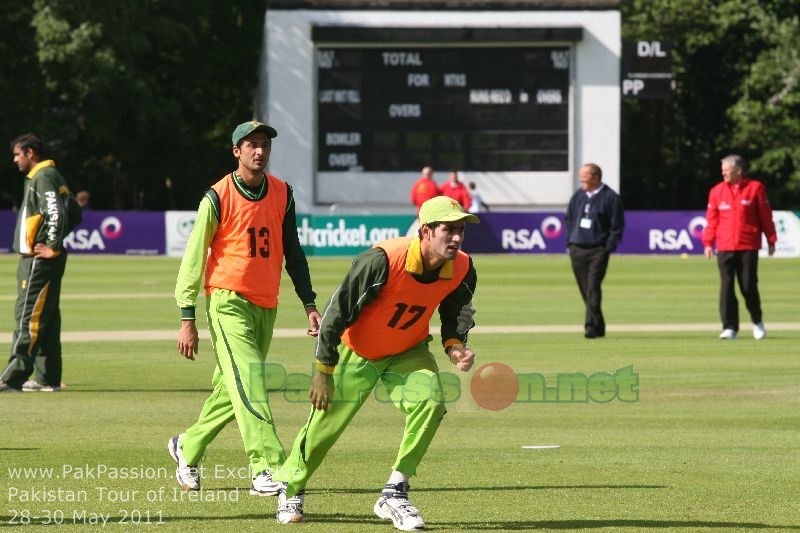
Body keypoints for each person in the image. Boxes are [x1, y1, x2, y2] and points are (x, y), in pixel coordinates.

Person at [273, 196, 479, 529]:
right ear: (426, 231)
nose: (456, 237)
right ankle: (291, 487)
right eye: (448, 230)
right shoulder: (383, 260)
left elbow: (457, 309)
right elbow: (335, 313)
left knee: (431, 402)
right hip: (358, 350)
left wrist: (455, 345)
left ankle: (395, 492)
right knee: (325, 426)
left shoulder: (463, 266)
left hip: (408, 350)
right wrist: (324, 370)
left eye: (460, 230)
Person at [168, 120, 322, 496]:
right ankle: (266, 466)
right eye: (251, 144)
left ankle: (187, 445)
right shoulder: (216, 197)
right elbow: (193, 257)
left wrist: (309, 302)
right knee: (251, 380)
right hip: (226, 302)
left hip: (265, 306)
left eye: (264, 145)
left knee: (233, 388)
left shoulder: (283, 193)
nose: (259, 151)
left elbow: (293, 252)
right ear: (236, 151)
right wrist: (187, 316)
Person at [0, 134, 75, 392]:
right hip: (40, 260)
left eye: (17, 155)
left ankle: (11, 377)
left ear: (30, 153)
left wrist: (52, 246)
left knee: (28, 315)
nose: (15, 160)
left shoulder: (43, 177)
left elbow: (57, 212)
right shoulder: (50, 176)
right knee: (47, 318)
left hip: (38, 261)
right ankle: (48, 377)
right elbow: (74, 211)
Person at [703, 154, 776, 340]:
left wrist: (771, 239)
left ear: (739, 171)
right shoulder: (716, 191)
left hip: (748, 245)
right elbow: (712, 220)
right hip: (725, 245)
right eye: (722, 169)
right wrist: (708, 243)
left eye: (727, 169)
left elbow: (765, 216)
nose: (723, 172)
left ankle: (757, 321)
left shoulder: (755, 188)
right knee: (727, 287)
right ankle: (730, 328)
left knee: (748, 286)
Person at [564, 163, 625, 339]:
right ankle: (599, 324)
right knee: (585, 289)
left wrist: (609, 247)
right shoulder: (578, 196)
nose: (581, 179)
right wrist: (570, 241)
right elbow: (569, 218)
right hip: (577, 248)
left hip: (598, 249)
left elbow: (617, 225)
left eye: (585, 176)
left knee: (593, 287)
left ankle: (590, 327)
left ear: (596, 177)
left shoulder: (611, 197)